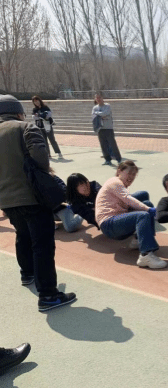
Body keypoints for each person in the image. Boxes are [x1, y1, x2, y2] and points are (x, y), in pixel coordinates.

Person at [0, 94, 77, 312]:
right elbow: (42, 160)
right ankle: (48, 295)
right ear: (18, 112)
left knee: (22, 235)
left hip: (6, 200)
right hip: (32, 196)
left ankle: (27, 273)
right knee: (42, 244)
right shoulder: (26, 128)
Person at [96, 161, 167, 269]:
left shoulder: (121, 185)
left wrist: (147, 208)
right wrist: (149, 210)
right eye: (129, 173)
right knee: (143, 215)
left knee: (145, 201)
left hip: (116, 218)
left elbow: (127, 201)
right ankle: (145, 255)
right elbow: (128, 199)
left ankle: (138, 240)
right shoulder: (115, 182)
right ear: (119, 171)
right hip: (109, 225)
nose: (131, 177)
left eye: (134, 174)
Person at [92, 93, 122, 166]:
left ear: (102, 98)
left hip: (108, 128)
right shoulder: (95, 107)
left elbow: (105, 113)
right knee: (103, 145)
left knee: (112, 144)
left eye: (99, 97)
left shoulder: (107, 106)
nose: (98, 99)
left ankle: (118, 159)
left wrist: (98, 114)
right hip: (100, 128)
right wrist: (101, 115)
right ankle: (107, 160)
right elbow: (93, 115)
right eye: (96, 98)